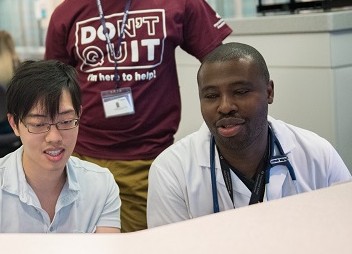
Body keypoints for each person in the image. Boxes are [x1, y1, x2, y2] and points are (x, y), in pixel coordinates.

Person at [45, 0, 232, 232]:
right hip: (81, 160)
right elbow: (53, 89)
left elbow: (222, 65)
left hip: (150, 159)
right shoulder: (67, 12)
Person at [146, 42, 352, 228]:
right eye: (211, 96)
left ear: (269, 92)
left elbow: (344, 233)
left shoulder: (317, 153)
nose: (225, 106)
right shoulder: (171, 170)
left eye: (241, 92)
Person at [0, 59, 121, 233]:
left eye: (66, 121)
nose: (54, 137)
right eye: (38, 124)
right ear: (15, 124)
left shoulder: (101, 184)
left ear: (79, 116)